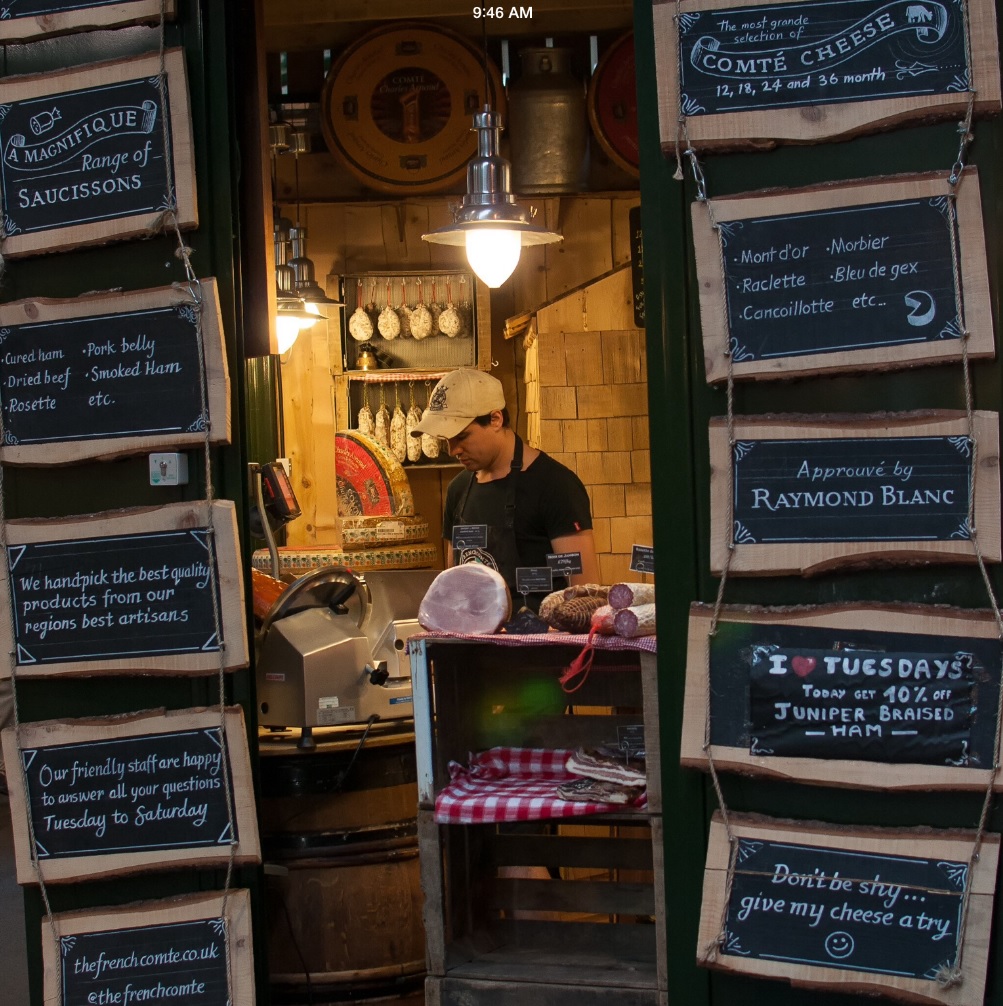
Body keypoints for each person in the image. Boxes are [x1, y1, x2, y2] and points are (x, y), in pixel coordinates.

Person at [411, 368, 599, 609]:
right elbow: (453, 584)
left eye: (462, 436)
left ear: (495, 419)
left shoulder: (555, 486)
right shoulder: (458, 491)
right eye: (447, 440)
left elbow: (586, 596)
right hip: (475, 641)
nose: (453, 450)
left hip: (541, 643)